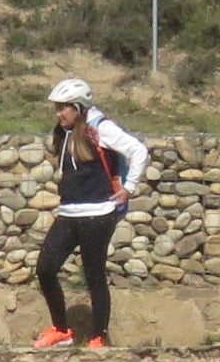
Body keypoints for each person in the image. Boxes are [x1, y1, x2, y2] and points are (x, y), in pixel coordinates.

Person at [33, 78, 149, 348]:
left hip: (98, 213)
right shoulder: (65, 130)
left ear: (78, 107)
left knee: (93, 274)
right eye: (57, 108)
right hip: (69, 212)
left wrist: (129, 188)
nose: (59, 113)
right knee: (45, 268)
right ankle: (62, 329)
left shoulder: (101, 128)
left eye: (64, 108)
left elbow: (138, 150)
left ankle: (99, 336)